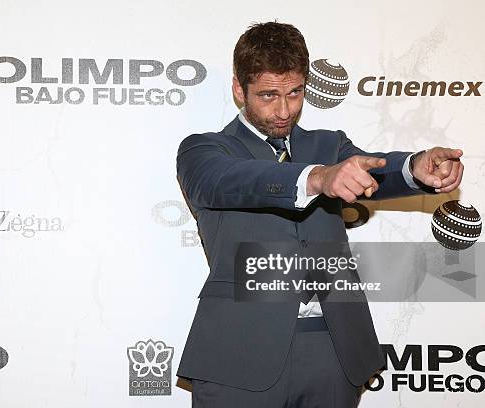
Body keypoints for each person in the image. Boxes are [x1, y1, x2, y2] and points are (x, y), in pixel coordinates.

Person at [175, 22, 463, 407]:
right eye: (267, 95)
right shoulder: (206, 151)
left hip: (334, 345)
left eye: (294, 93)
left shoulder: (328, 144)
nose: (284, 110)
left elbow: (373, 170)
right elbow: (230, 180)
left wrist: (414, 167)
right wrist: (316, 178)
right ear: (237, 90)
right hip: (239, 352)